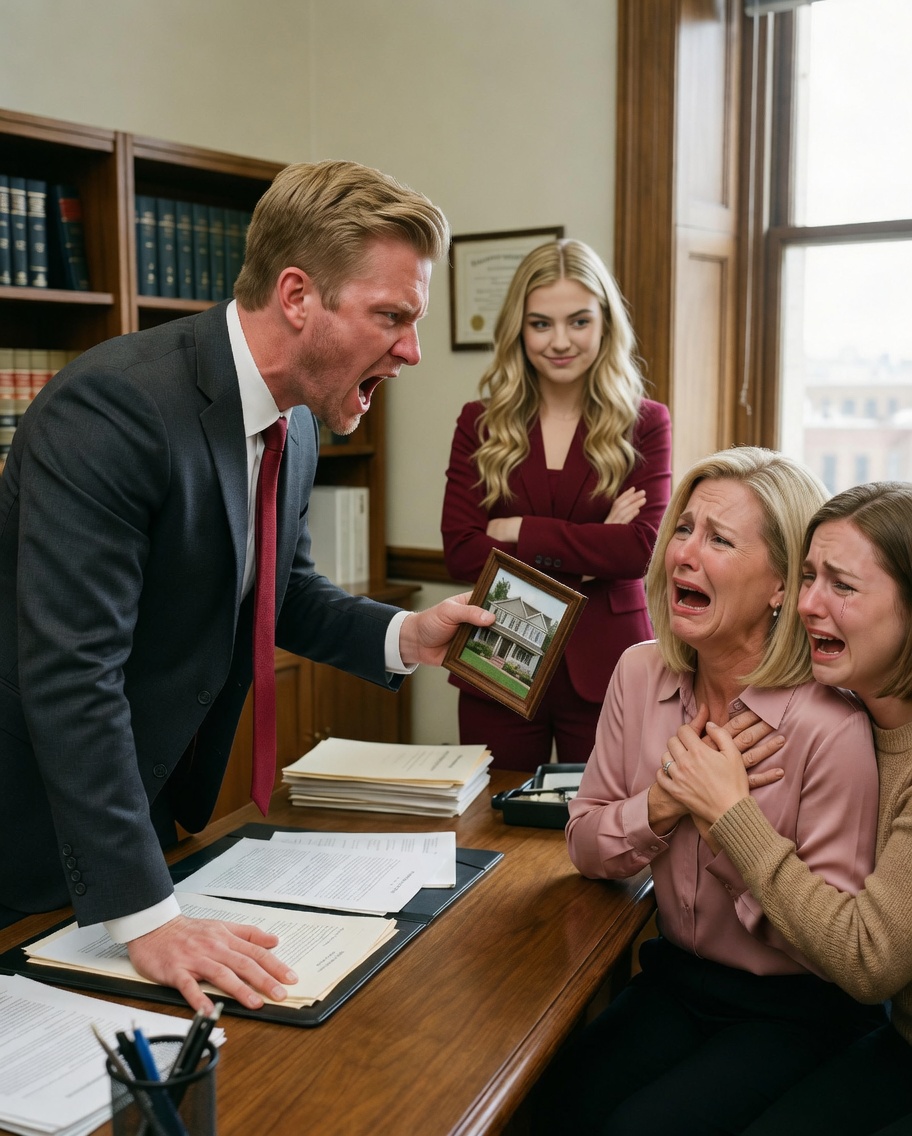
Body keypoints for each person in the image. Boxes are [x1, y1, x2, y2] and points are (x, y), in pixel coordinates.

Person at [0, 159, 493, 1014]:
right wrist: (148, 916)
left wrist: (403, 636)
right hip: (31, 831)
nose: (412, 350)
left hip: (142, 817)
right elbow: (72, 673)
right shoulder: (113, 408)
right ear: (297, 296)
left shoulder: (295, 424)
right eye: (392, 316)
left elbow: (280, 592)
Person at [532, 447, 884, 1135]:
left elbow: (833, 951)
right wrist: (662, 804)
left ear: (782, 585)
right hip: (675, 978)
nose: (684, 555)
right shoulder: (639, 674)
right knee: (551, 1104)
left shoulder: (831, 725)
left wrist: (727, 821)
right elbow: (584, 843)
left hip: (796, 1010)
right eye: (684, 529)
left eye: (720, 540)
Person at [660, 481, 912, 1136]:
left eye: (842, 586)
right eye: (807, 578)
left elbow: (869, 959)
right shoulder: (856, 718)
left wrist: (731, 817)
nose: (807, 605)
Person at [441, 239, 671, 770]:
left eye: (579, 321)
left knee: (605, 816)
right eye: (541, 324)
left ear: (605, 324)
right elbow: (461, 551)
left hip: (609, 664)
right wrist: (592, 554)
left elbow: (638, 550)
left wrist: (517, 529)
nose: (560, 341)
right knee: (489, 813)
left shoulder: (645, 423)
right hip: (498, 654)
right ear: (519, 330)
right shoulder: (480, 423)